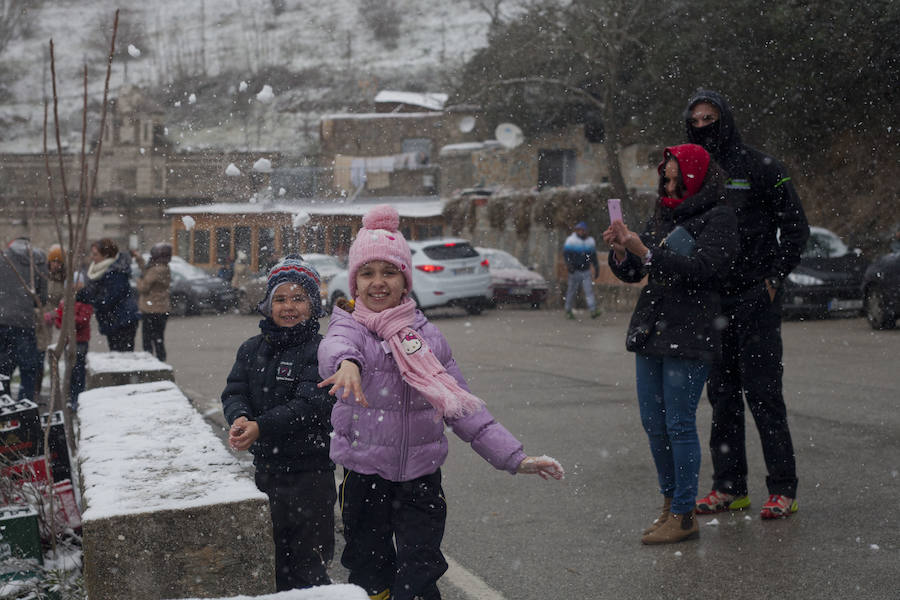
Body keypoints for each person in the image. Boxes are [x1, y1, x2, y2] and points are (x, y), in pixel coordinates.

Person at [318, 204, 564, 600]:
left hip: (421, 477)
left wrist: (514, 458)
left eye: (389, 272)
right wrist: (346, 363)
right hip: (364, 477)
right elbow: (337, 346)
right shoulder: (350, 327)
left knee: (421, 570)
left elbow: (465, 408)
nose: (378, 283)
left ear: (405, 279)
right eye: (367, 273)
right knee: (368, 570)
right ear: (354, 282)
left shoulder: (427, 337)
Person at [684, 89, 809, 520]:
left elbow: (796, 229)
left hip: (756, 301)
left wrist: (773, 280)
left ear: (726, 117)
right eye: (695, 119)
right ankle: (729, 487)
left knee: (764, 396)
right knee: (721, 398)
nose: (703, 125)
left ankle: (783, 488)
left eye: (710, 117)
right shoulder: (690, 172)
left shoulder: (761, 166)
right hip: (711, 303)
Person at [604, 144, 737, 544]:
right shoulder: (664, 212)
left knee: (679, 423)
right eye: (666, 173)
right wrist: (621, 249)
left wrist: (645, 250)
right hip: (653, 326)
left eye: (675, 173)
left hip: (691, 328)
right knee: (653, 422)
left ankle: (684, 513)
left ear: (696, 174)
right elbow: (637, 272)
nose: (668, 179)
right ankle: (668, 506)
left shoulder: (721, 216)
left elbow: (705, 270)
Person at [221, 254, 336, 591]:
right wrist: (239, 417)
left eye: (299, 298)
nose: (289, 306)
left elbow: (309, 406)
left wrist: (261, 426)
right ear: (268, 304)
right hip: (267, 473)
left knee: (310, 566)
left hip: (311, 475)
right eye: (280, 298)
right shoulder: (251, 349)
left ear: (313, 305)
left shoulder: (323, 351)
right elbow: (234, 390)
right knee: (271, 563)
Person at [0, 237, 48, 399]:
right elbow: (42, 297)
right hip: (25, 322)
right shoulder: (38, 260)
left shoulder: (3, 258)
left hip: (2, 321)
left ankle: (4, 410)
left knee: (3, 371)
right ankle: (25, 411)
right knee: (28, 370)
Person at [77, 238, 140, 352]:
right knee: (116, 356)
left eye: (95, 254)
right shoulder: (102, 271)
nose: (92, 257)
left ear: (106, 255)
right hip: (114, 322)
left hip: (122, 323)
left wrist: (85, 296)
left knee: (121, 360)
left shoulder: (117, 272)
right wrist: (81, 294)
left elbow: (107, 299)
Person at [51, 272, 93, 410]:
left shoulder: (85, 299)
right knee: (70, 370)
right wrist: (60, 320)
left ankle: (78, 397)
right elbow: (59, 320)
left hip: (80, 341)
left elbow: (83, 320)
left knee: (78, 370)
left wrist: (68, 319)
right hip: (68, 341)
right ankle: (70, 397)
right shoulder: (65, 301)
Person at [133, 243, 172, 361]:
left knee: (148, 340)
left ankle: (151, 364)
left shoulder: (156, 270)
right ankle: (161, 361)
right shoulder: (164, 267)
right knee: (159, 338)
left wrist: (138, 280)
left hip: (151, 309)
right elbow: (147, 270)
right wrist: (139, 259)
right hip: (162, 309)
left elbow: (143, 287)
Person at [563, 221, 600, 319]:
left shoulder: (590, 241)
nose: (581, 232)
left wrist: (596, 267)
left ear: (586, 231)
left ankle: (593, 310)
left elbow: (593, 256)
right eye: (579, 230)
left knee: (589, 291)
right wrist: (569, 265)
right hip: (574, 270)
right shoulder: (571, 240)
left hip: (586, 270)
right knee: (571, 290)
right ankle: (568, 310)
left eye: (583, 230)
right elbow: (566, 255)